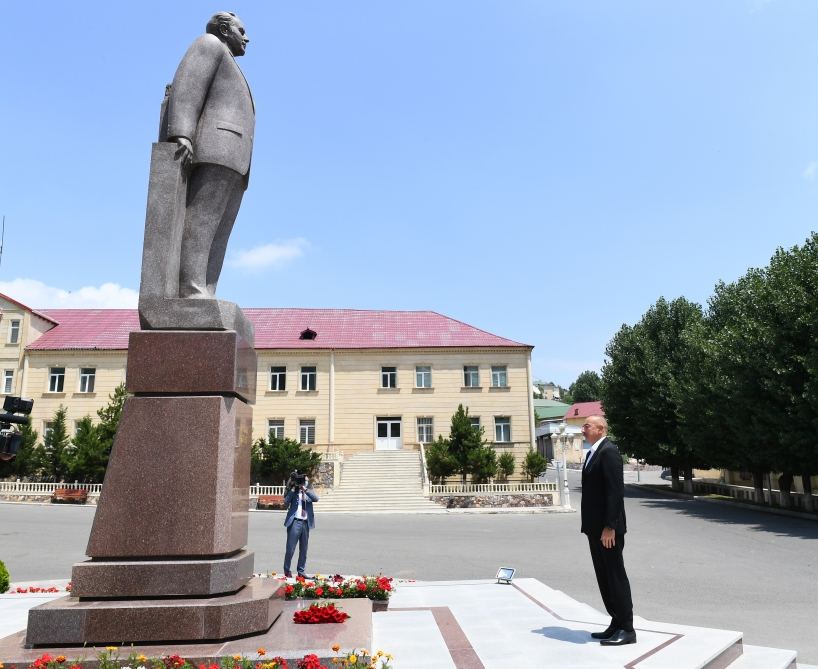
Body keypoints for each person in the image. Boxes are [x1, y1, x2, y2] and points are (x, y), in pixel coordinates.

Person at [166, 11, 255, 299]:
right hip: (215, 148)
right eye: (241, 30)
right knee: (202, 221)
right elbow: (188, 87)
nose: (247, 37)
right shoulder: (209, 44)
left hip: (233, 157)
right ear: (225, 29)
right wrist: (182, 132)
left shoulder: (228, 59)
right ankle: (191, 288)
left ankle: (206, 289)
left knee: (219, 230)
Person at [580, 415, 636, 646]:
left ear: (601, 428)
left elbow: (615, 492)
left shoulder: (609, 451)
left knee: (614, 575)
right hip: (595, 529)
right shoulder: (594, 452)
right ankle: (616, 621)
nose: (583, 429)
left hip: (607, 530)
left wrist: (610, 526)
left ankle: (627, 628)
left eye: (587, 425)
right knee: (604, 577)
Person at [283, 470, 319, 578]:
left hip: (305, 523)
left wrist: (305, 489)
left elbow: (316, 498)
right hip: (295, 522)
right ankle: (287, 570)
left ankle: (301, 571)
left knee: (303, 549)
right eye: (303, 480)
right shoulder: (293, 491)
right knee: (290, 549)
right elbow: (285, 502)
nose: (304, 482)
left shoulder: (308, 491)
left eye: (305, 480)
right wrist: (294, 488)